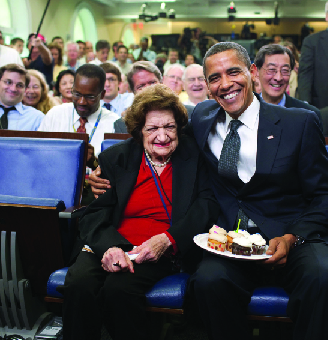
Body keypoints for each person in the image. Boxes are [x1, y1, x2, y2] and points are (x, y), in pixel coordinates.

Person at [189, 42, 328, 340]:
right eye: (214, 78)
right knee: (208, 281)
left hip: (293, 234)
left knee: (324, 278)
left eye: (233, 72)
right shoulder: (201, 117)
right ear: (208, 87)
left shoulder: (298, 122)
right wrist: (107, 170)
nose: (225, 84)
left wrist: (292, 237)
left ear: (252, 73)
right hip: (233, 240)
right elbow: (158, 130)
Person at [61, 83, 220, 340]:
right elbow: (94, 213)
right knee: (79, 284)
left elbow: (207, 205)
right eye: (153, 128)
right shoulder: (116, 159)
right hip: (110, 243)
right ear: (138, 131)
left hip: (160, 247)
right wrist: (110, 248)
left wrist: (168, 239)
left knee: (119, 288)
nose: (163, 136)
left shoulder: (195, 156)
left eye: (169, 127)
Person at [38, 64, 120, 157]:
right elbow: (38, 154)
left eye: (90, 97)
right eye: (77, 94)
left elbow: (116, 169)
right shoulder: (55, 115)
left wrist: (94, 162)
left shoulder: (114, 124)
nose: (82, 102)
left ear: (102, 95)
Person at [253, 44, 322, 122]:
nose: (278, 78)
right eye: (271, 70)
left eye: (285, 70)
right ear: (257, 72)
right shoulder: (243, 112)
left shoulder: (308, 115)